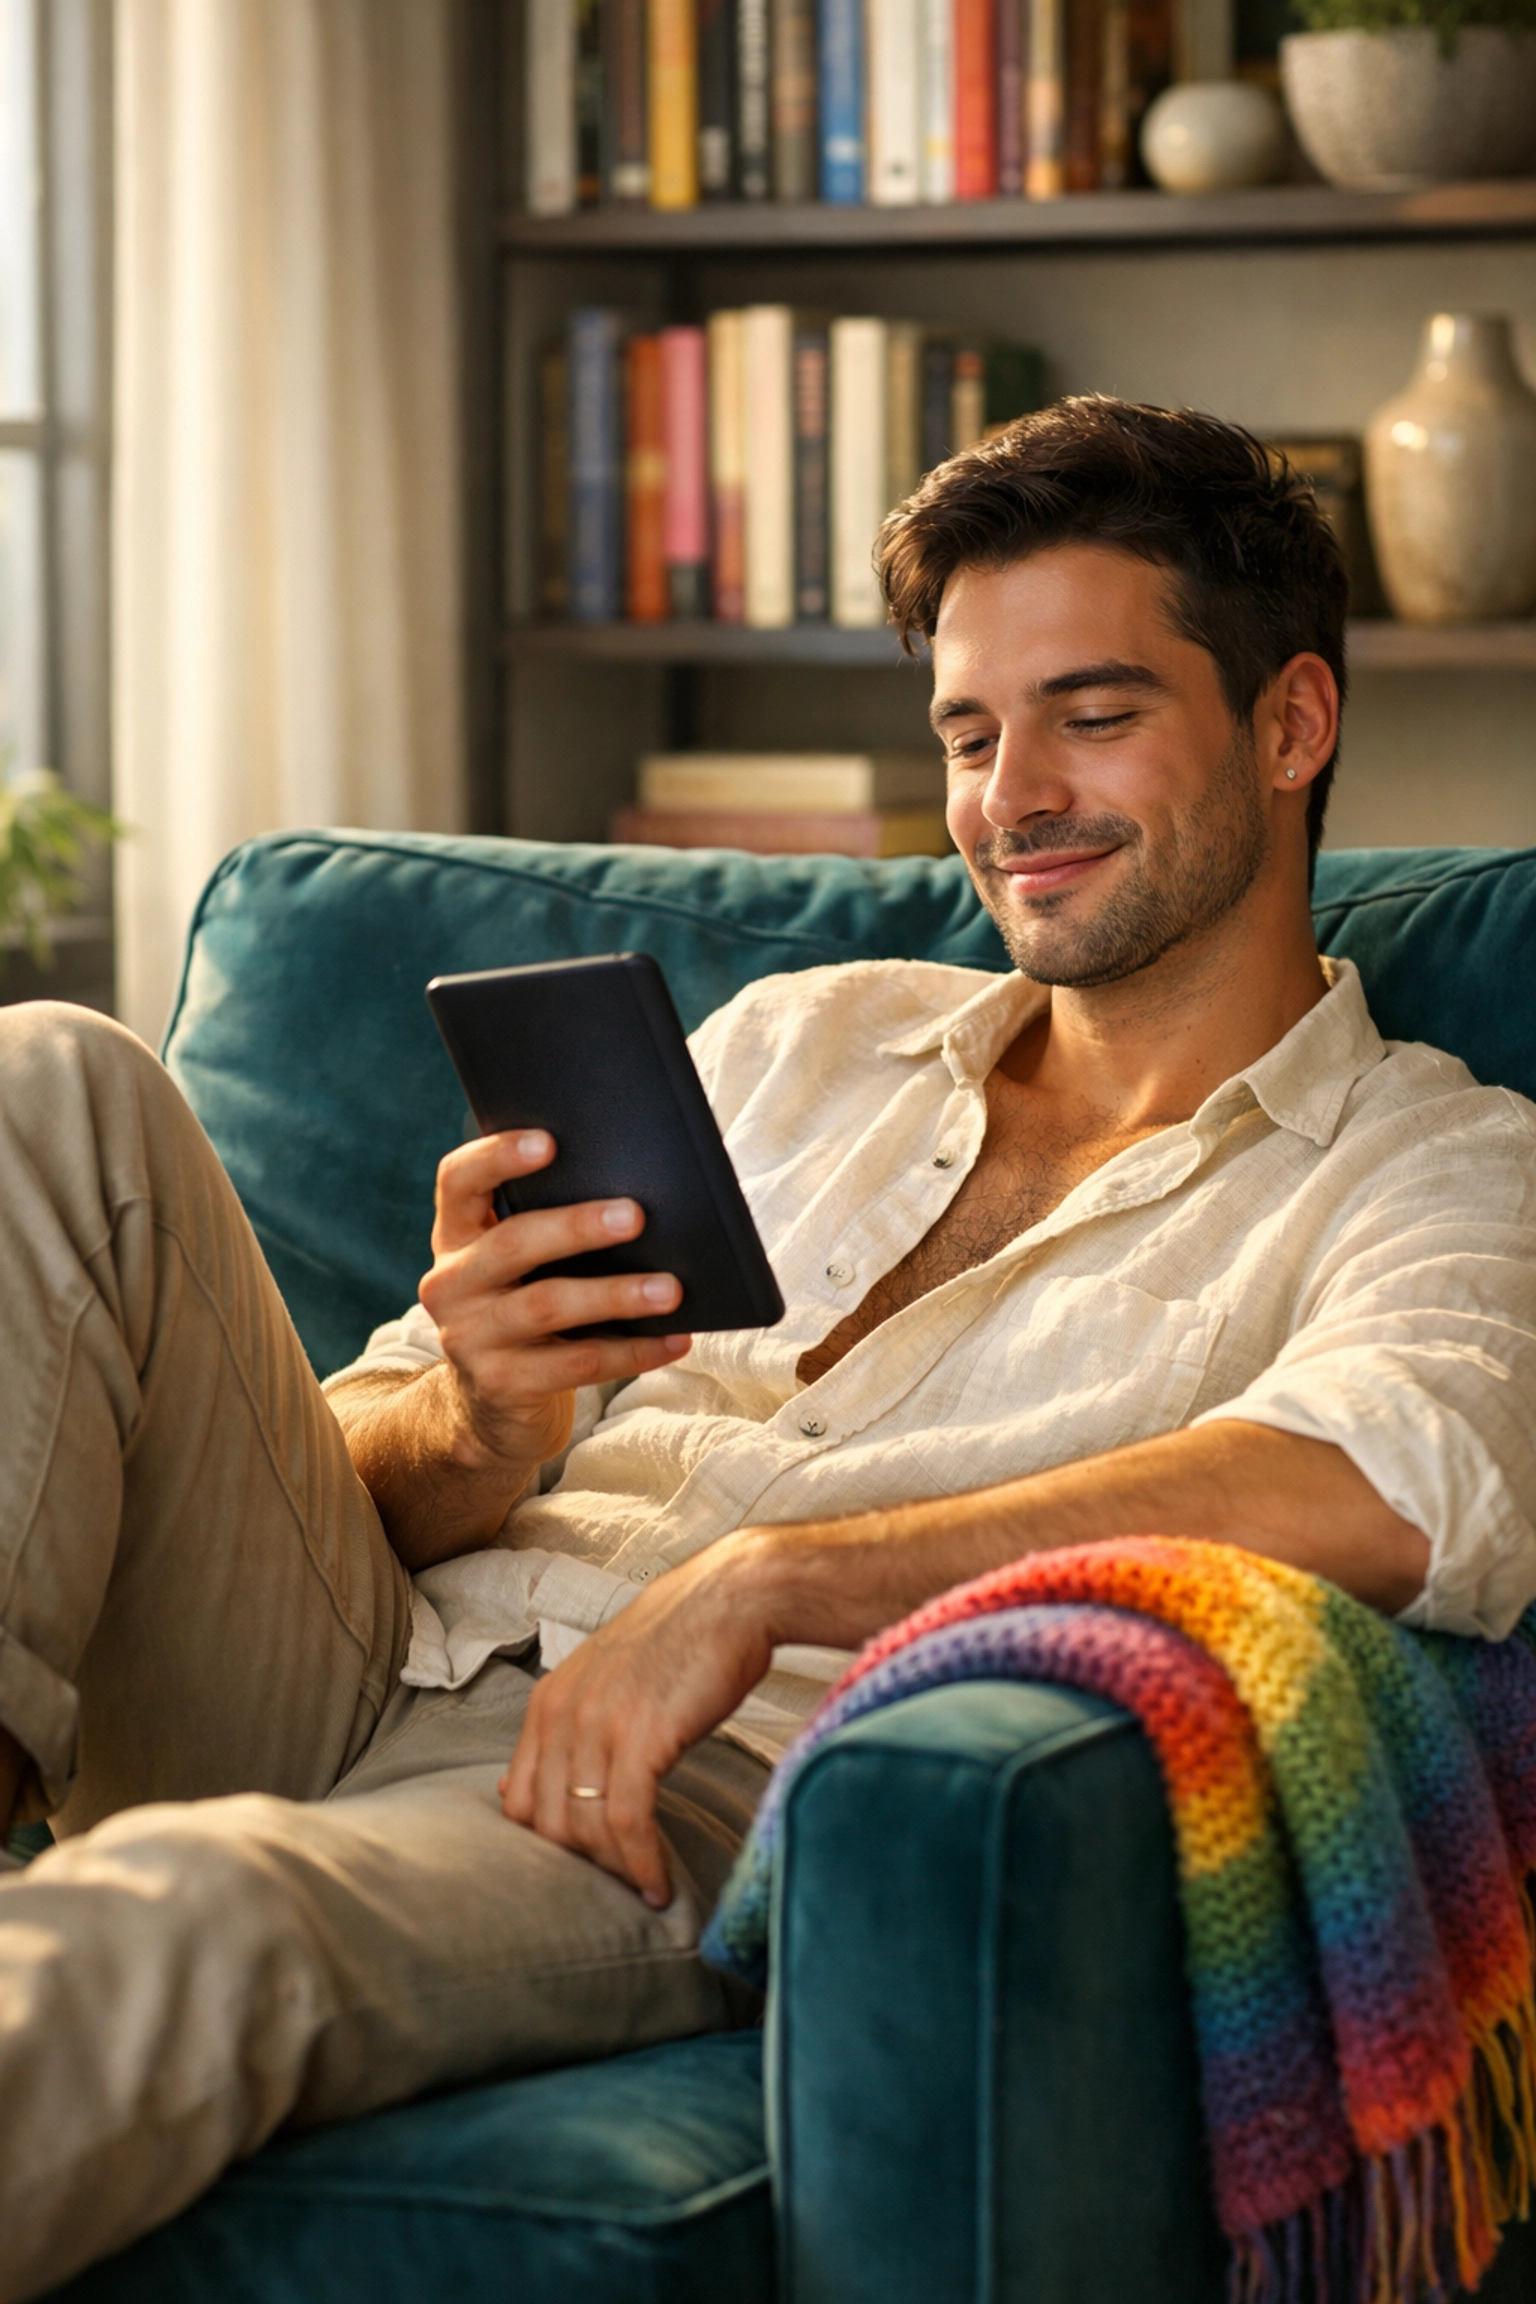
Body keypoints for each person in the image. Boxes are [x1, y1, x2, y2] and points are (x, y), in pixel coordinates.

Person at [2, 398, 1534, 2300]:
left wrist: (774, 1578)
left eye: (1092, 714)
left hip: (677, 1791)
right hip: (357, 1646)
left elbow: (1412, 1478)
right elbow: (352, 1458)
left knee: (190, 1922)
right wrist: (476, 1420)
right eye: (968, 734)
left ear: (1291, 724)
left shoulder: (1437, 1158)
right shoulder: (794, 1042)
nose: (1010, 797)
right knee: (48, 1078)